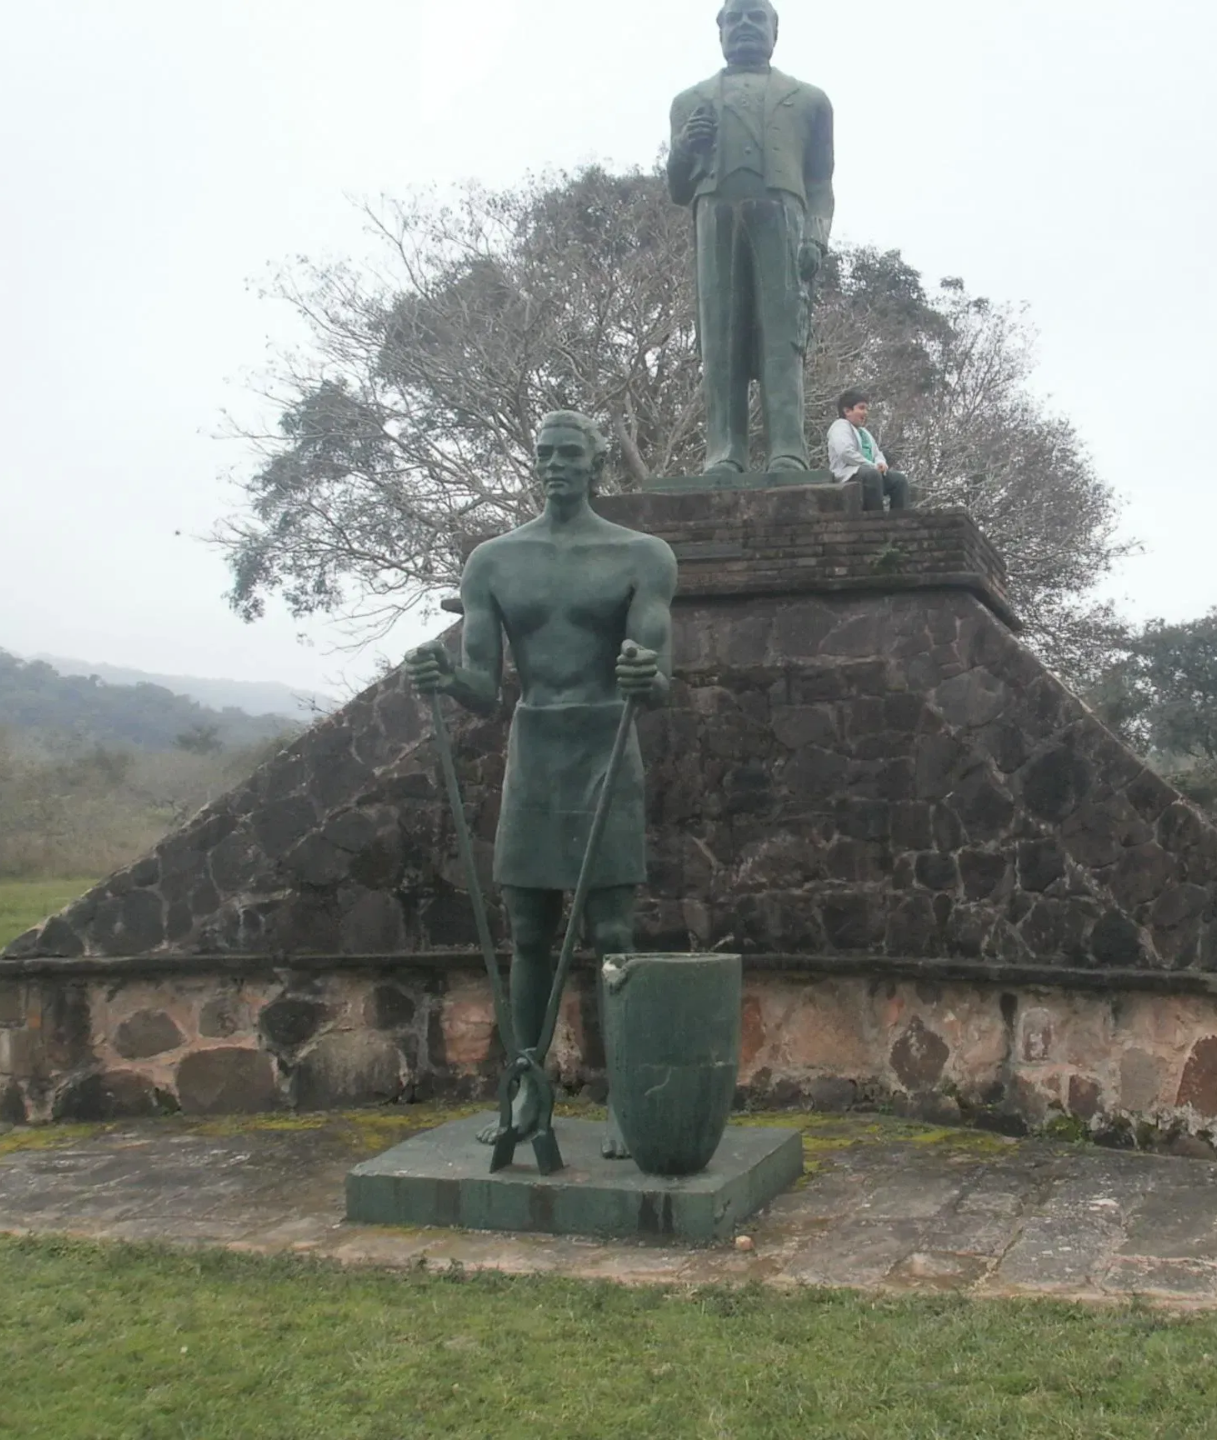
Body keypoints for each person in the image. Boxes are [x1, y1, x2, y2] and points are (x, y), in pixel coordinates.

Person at [408, 411, 677, 1155]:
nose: (556, 464)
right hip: (535, 745)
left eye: (570, 453)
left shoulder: (641, 554)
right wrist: (440, 677)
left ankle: (627, 1096)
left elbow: (656, 679)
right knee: (527, 930)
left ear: (596, 462)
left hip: (606, 747)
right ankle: (526, 1086)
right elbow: (483, 686)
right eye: (545, 454)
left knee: (613, 934)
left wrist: (646, 675)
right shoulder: (493, 561)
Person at [667, 0, 834, 474]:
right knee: (720, 336)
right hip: (714, 211)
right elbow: (678, 189)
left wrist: (816, 238)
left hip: (783, 213)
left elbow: (821, 184)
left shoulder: (808, 99)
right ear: (718, 31)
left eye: (755, 17)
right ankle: (724, 451)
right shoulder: (689, 101)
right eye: (733, 18)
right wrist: (684, 149)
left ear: (774, 31)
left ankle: (788, 449)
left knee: (783, 336)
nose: (744, 26)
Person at [825, 390, 912, 510]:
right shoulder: (840, 427)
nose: (865, 413)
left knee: (899, 480)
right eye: (861, 408)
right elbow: (846, 452)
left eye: (866, 409)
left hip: (870, 472)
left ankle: (901, 519)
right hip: (848, 474)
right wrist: (871, 466)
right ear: (847, 411)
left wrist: (880, 463)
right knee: (872, 475)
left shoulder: (864, 432)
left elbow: (877, 453)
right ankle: (876, 519)